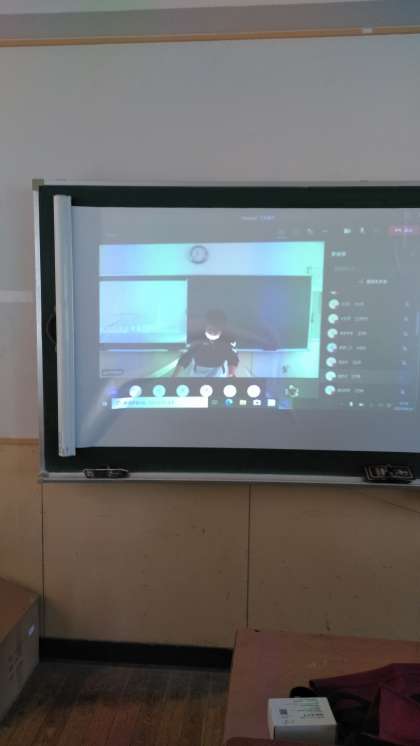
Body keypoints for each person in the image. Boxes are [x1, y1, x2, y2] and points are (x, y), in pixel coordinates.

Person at [173, 309, 239, 377]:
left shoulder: (228, 339)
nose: (212, 333)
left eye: (215, 331)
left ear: (221, 330)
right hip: (198, 370)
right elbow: (186, 356)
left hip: (218, 370)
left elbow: (232, 357)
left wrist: (231, 374)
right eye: (210, 330)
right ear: (205, 327)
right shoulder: (196, 337)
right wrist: (174, 375)